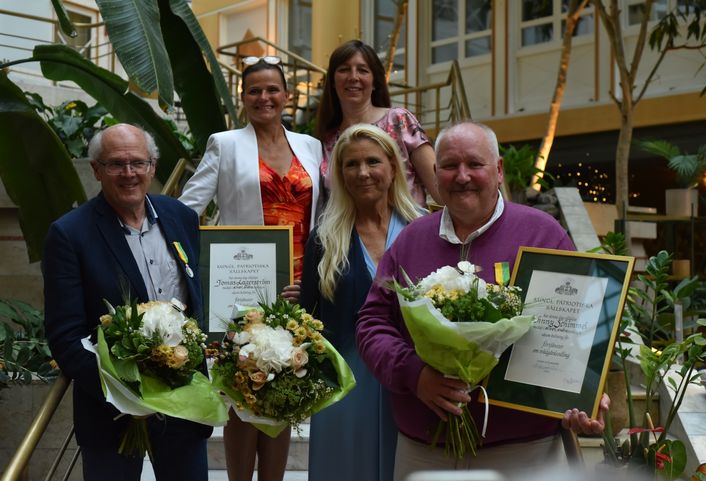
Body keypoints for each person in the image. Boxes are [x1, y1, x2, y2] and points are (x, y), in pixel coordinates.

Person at [355, 121, 610, 480]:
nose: (462, 177)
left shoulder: (542, 233)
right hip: (427, 453)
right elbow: (372, 323)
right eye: (448, 166)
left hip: (526, 453)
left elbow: (579, 326)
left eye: (475, 164)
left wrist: (584, 392)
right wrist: (414, 375)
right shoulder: (411, 240)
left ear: (499, 170)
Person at [179, 56, 322, 481]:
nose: (264, 97)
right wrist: (204, 270)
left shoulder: (311, 146)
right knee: (244, 397)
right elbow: (188, 211)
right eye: (254, 90)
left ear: (287, 96)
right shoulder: (224, 144)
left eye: (272, 89)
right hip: (241, 288)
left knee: (283, 392)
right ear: (243, 98)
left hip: (298, 289)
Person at [43, 124, 210, 481]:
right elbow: (65, 335)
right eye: (117, 164)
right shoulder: (69, 234)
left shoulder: (181, 217)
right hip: (112, 412)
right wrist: (127, 391)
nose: (129, 173)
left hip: (185, 399)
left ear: (153, 167)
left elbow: (196, 300)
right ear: (96, 170)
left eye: (138, 162)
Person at [300, 124, 422, 481]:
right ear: (339, 174)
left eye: (372, 161)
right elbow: (308, 320)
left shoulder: (424, 229)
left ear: (393, 167)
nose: (363, 172)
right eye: (351, 165)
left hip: (412, 383)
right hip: (346, 391)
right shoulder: (323, 239)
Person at [315, 39, 441, 206]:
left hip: (408, 229)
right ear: (332, 81)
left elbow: (441, 189)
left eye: (363, 70)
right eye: (344, 70)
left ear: (375, 82)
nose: (353, 77)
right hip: (347, 232)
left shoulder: (399, 121)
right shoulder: (326, 141)